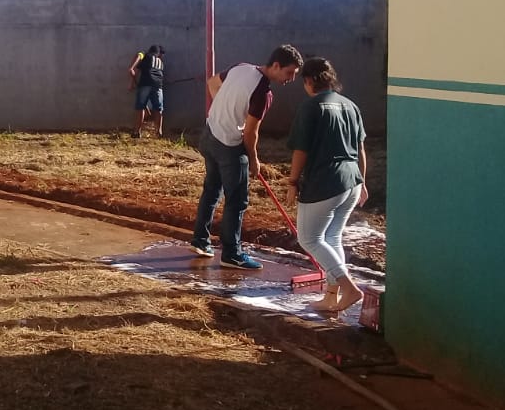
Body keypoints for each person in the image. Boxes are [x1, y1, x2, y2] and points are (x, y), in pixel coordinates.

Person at [190, 44, 303, 270]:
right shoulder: (263, 93)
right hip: (229, 145)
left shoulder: (241, 68)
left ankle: (200, 241)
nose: (290, 79)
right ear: (276, 65)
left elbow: (212, 83)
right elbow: (251, 132)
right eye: (289, 73)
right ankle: (232, 254)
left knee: (212, 189)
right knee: (237, 200)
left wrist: (225, 112)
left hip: (209, 135)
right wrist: (253, 159)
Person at [285, 57, 369, 313]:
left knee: (309, 238)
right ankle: (332, 296)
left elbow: (301, 150)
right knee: (331, 237)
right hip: (351, 181)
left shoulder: (311, 107)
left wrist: (292, 181)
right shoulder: (350, 106)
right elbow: (360, 149)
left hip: (326, 181)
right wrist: (363, 182)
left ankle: (349, 288)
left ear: (309, 81)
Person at [128, 44, 165, 138]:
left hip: (145, 84)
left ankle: (137, 132)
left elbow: (139, 55)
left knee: (141, 107)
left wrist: (132, 68)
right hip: (158, 85)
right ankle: (159, 132)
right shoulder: (160, 62)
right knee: (159, 109)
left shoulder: (146, 55)